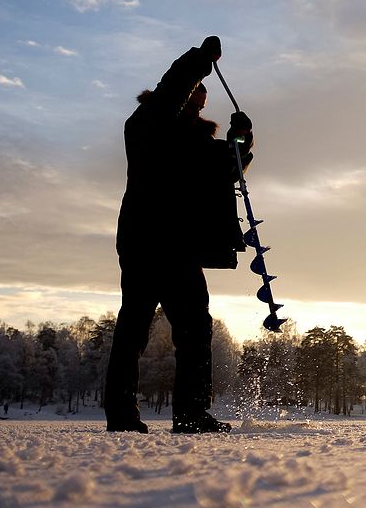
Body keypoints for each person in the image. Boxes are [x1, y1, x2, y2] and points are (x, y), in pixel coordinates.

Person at [105, 36, 254, 434]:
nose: (197, 104)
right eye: (194, 96)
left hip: (179, 247)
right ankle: (121, 414)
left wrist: (241, 139)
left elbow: (228, 168)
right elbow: (174, 85)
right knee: (134, 327)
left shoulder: (196, 142)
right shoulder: (148, 123)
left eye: (200, 101)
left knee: (194, 329)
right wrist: (201, 60)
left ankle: (190, 414)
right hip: (144, 240)